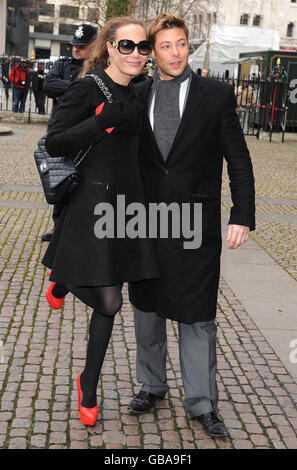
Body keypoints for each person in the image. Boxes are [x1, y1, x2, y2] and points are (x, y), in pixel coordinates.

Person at [128, 13, 255, 439]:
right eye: (165, 46)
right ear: (152, 52)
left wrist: (242, 214)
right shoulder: (136, 94)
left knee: (196, 314)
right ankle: (152, 385)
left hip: (195, 227)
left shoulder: (215, 95)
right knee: (146, 310)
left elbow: (238, 159)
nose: (175, 53)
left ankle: (202, 403)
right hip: (144, 223)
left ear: (188, 46)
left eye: (181, 44)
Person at [42, 16, 158, 427]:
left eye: (143, 47)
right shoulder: (87, 87)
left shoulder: (142, 93)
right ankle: (65, 279)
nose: (136, 54)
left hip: (126, 209)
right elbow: (54, 140)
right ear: (108, 47)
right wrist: (99, 121)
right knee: (110, 301)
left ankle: (87, 382)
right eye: (126, 46)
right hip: (90, 203)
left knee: (109, 305)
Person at [41, 23, 97, 242]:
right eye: (75, 45)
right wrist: (77, 86)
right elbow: (48, 84)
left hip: (83, 134)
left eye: (81, 46)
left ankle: (78, 228)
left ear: (93, 46)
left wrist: (69, 90)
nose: (76, 49)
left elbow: (91, 93)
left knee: (83, 183)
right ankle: (58, 227)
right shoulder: (63, 64)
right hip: (60, 132)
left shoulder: (97, 68)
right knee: (58, 180)